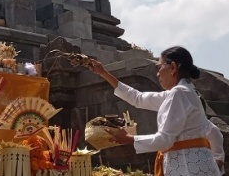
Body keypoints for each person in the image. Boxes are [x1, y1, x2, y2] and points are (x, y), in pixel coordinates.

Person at [88, 46, 221, 176]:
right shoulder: (182, 93)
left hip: (188, 168)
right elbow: (138, 98)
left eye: (159, 67)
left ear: (173, 67)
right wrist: (104, 73)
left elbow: (165, 140)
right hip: (191, 165)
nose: (157, 73)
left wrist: (129, 139)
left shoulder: (179, 93)